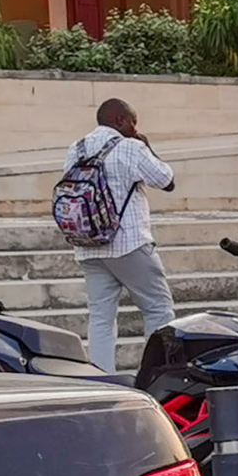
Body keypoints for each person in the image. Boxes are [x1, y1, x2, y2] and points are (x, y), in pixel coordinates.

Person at [67, 98, 175, 371]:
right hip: (128, 243)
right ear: (119, 120)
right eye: (132, 122)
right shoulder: (130, 147)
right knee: (158, 309)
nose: (135, 127)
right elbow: (166, 180)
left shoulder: (76, 149)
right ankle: (155, 374)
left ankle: (101, 378)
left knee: (101, 317)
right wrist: (147, 145)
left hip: (88, 244)